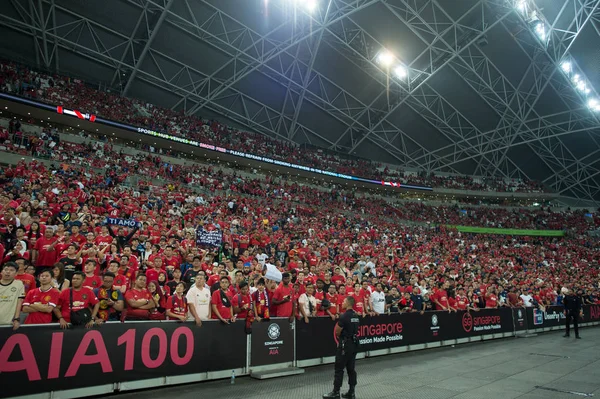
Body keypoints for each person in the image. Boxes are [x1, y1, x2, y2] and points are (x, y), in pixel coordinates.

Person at [323, 296, 360, 399]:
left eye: (343, 301)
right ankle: (351, 392)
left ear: (348, 303)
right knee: (351, 368)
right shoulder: (356, 315)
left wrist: (342, 338)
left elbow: (337, 331)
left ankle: (336, 392)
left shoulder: (344, 316)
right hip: (354, 344)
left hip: (345, 344)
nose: (342, 303)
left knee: (339, 368)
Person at [0, 262, 25, 330]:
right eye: (6, 269)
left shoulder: (19, 284)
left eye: (11, 270)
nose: (8, 272)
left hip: (8, 323)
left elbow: (19, 301)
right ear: (1, 272)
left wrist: (16, 319)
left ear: (16, 273)